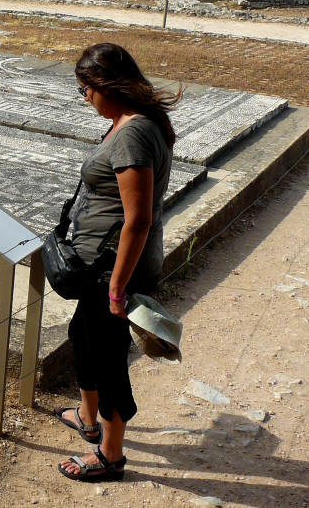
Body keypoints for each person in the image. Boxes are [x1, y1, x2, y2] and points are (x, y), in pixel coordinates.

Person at [54, 43, 180, 483]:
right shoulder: (135, 123)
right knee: (82, 336)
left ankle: (110, 455)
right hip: (101, 267)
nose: (85, 98)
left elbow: (138, 219)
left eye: (86, 89)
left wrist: (116, 289)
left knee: (107, 356)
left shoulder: (132, 134)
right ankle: (87, 417)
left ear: (106, 85)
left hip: (113, 270)